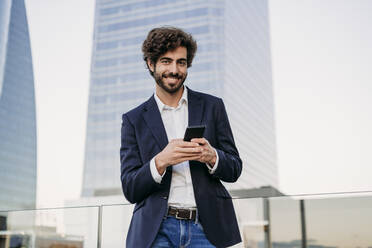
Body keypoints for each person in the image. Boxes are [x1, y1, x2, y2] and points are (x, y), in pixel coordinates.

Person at [120, 26, 242, 248]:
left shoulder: (212, 106)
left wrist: (211, 156)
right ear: (151, 64)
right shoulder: (133, 120)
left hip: (207, 229)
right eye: (166, 61)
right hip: (156, 231)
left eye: (181, 62)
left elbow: (235, 168)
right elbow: (130, 187)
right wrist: (161, 161)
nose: (174, 69)